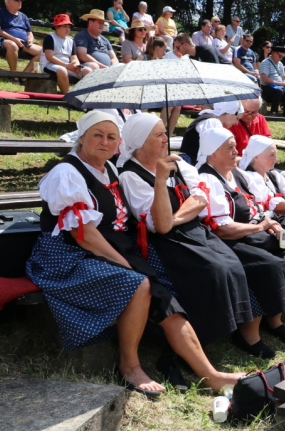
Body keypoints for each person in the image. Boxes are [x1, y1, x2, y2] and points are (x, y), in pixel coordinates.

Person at [28, 111, 244, 396]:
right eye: (97, 135)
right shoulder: (67, 173)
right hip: (67, 255)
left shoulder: (110, 169)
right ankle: (130, 365)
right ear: (82, 137)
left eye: (111, 137)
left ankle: (210, 375)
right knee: (140, 283)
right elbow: (84, 235)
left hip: (111, 244)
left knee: (162, 289)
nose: (105, 142)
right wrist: (126, 265)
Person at [117, 114, 265, 354]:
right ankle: (201, 335)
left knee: (232, 264)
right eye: (159, 135)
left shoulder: (178, 163)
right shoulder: (130, 176)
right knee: (213, 271)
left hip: (189, 230)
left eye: (165, 133)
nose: (166, 139)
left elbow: (200, 200)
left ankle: (230, 328)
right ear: (141, 141)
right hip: (164, 242)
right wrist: (161, 180)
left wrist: (174, 218)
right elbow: (159, 227)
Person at [194, 128, 285, 345]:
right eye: (229, 147)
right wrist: (261, 227)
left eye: (235, 146)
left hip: (249, 234)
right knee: (270, 265)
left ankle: (275, 320)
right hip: (227, 242)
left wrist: (271, 225)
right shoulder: (208, 178)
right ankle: (248, 335)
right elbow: (220, 228)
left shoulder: (236, 175)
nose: (236, 151)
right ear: (212, 153)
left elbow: (258, 207)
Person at [41, 14, 96, 94]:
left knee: (88, 71)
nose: (67, 29)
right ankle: (67, 96)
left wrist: (76, 66)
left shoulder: (71, 41)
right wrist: (66, 65)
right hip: (49, 65)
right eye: (65, 26)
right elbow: (50, 57)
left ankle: (81, 95)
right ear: (57, 27)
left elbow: (74, 57)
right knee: (62, 70)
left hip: (68, 66)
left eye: (69, 27)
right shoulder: (50, 38)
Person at [179, 100, 240, 164]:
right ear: (230, 112)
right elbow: (208, 151)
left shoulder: (212, 120)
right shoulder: (211, 122)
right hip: (190, 161)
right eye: (237, 118)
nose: (236, 123)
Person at [1, 0, 43, 73]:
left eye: (21, 0)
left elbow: (29, 33)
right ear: (8, 1)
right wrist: (14, 39)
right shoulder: (1, 12)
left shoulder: (23, 16)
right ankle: (14, 75)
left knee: (44, 52)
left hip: (23, 43)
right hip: (4, 40)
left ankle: (24, 76)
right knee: (12, 45)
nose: (20, 2)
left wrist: (30, 40)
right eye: (17, 0)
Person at [260, 44, 285, 116]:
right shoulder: (265, 62)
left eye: (283, 56)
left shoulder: (280, 64)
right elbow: (264, 79)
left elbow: (283, 79)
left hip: (279, 87)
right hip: (267, 87)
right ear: (274, 53)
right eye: (280, 56)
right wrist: (280, 83)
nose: (281, 58)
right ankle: (273, 112)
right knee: (279, 91)